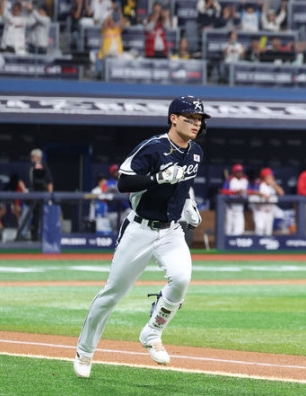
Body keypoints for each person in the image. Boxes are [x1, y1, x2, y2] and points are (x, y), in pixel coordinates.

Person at [74, 96, 209, 378]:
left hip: (172, 230)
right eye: (190, 118)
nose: (196, 124)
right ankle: (85, 352)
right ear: (173, 118)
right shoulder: (154, 147)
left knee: (181, 279)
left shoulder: (196, 151)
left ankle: (152, 331)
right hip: (140, 228)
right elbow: (124, 181)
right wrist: (157, 178)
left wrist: (188, 204)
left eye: (199, 120)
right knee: (112, 293)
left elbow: (184, 184)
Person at [27, 148, 53, 241]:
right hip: (32, 196)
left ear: (38, 157)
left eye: (33, 157)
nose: (32, 158)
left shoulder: (40, 166)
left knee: (41, 217)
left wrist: (50, 197)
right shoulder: (31, 167)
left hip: (41, 196)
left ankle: (42, 237)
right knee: (34, 217)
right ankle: (34, 236)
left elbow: (49, 182)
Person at [251, 167, 284, 236]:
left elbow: (281, 193)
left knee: (268, 232)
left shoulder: (273, 185)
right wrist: (262, 194)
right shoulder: (259, 184)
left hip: (269, 211)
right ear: (265, 177)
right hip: (260, 211)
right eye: (270, 176)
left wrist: (274, 185)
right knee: (260, 230)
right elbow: (251, 192)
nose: (272, 177)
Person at [221, 163, 248, 235]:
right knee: (228, 229)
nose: (240, 173)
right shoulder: (230, 180)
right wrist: (235, 192)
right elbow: (223, 191)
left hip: (240, 208)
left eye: (241, 171)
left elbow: (249, 191)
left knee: (239, 230)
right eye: (238, 171)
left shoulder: (245, 180)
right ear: (234, 172)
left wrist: (243, 193)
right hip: (230, 208)